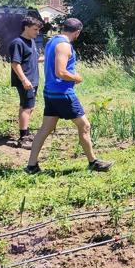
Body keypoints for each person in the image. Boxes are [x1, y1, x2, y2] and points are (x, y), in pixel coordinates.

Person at [25, 18, 113, 174]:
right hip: (63, 94)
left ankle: (31, 166)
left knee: (45, 129)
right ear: (77, 32)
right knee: (84, 126)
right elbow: (61, 72)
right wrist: (77, 78)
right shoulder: (64, 45)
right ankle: (93, 162)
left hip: (51, 93)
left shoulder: (52, 41)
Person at [9, 16, 44, 149]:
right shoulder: (18, 43)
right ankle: (23, 138)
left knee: (29, 106)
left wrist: (50, 57)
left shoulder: (31, 42)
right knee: (26, 107)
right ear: (26, 28)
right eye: (35, 29)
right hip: (26, 81)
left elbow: (33, 59)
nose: (37, 32)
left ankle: (26, 132)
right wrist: (24, 80)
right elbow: (15, 63)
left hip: (33, 80)